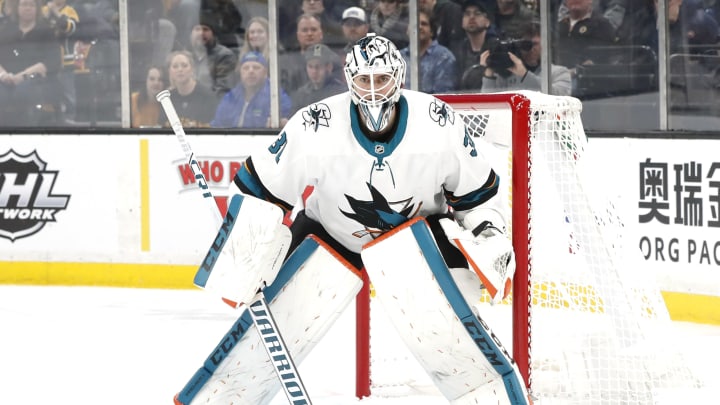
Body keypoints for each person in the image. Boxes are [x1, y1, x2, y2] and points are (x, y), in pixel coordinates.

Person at [212, 32, 520, 404]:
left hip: (418, 236)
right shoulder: (315, 124)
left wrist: (490, 234)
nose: (373, 90)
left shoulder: (439, 121)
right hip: (331, 233)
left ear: (399, 77)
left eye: (381, 79)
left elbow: (477, 197)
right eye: (364, 80)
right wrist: (248, 252)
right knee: (270, 320)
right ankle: (227, 394)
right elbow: (258, 187)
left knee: (454, 326)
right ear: (349, 79)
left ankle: (486, 393)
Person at [0, 0, 62, 126]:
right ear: (17, 7)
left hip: (35, 80)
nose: (27, 8)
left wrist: (22, 76)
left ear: (37, 8)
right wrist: (3, 75)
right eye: (24, 4)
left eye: (31, 5)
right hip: (6, 78)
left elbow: (53, 62)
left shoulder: (46, 31)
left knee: (22, 92)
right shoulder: (5, 30)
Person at [480, 22, 572, 95]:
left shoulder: (559, 73)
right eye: (525, 44)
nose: (531, 49)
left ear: (547, 45)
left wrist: (525, 75)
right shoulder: (507, 74)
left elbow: (559, 97)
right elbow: (487, 106)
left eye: (535, 44)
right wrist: (489, 72)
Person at [211, 51, 292, 128]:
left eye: (256, 67)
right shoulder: (230, 97)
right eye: (246, 68)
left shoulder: (276, 97)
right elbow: (217, 124)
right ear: (240, 73)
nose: (251, 71)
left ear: (265, 73)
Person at [400, 9, 458, 93]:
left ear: (432, 31)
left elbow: (443, 95)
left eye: (424, 24)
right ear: (407, 30)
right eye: (414, 24)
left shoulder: (444, 57)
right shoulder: (398, 57)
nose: (419, 27)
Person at [450, 0, 499, 91]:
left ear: (487, 22)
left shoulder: (496, 49)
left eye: (477, 13)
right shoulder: (456, 51)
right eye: (467, 14)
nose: (471, 17)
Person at [161, 50, 216, 127]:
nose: (180, 69)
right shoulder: (167, 99)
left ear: (192, 69)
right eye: (175, 66)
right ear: (169, 71)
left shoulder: (207, 96)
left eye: (184, 65)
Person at [189, 12, 237, 99]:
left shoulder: (224, 56)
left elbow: (223, 90)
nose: (201, 33)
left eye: (205, 29)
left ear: (213, 34)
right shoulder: (185, 57)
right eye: (197, 29)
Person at [290, 43, 346, 115]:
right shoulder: (301, 94)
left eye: (318, 66)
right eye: (310, 66)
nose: (314, 71)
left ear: (329, 67)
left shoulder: (340, 92)